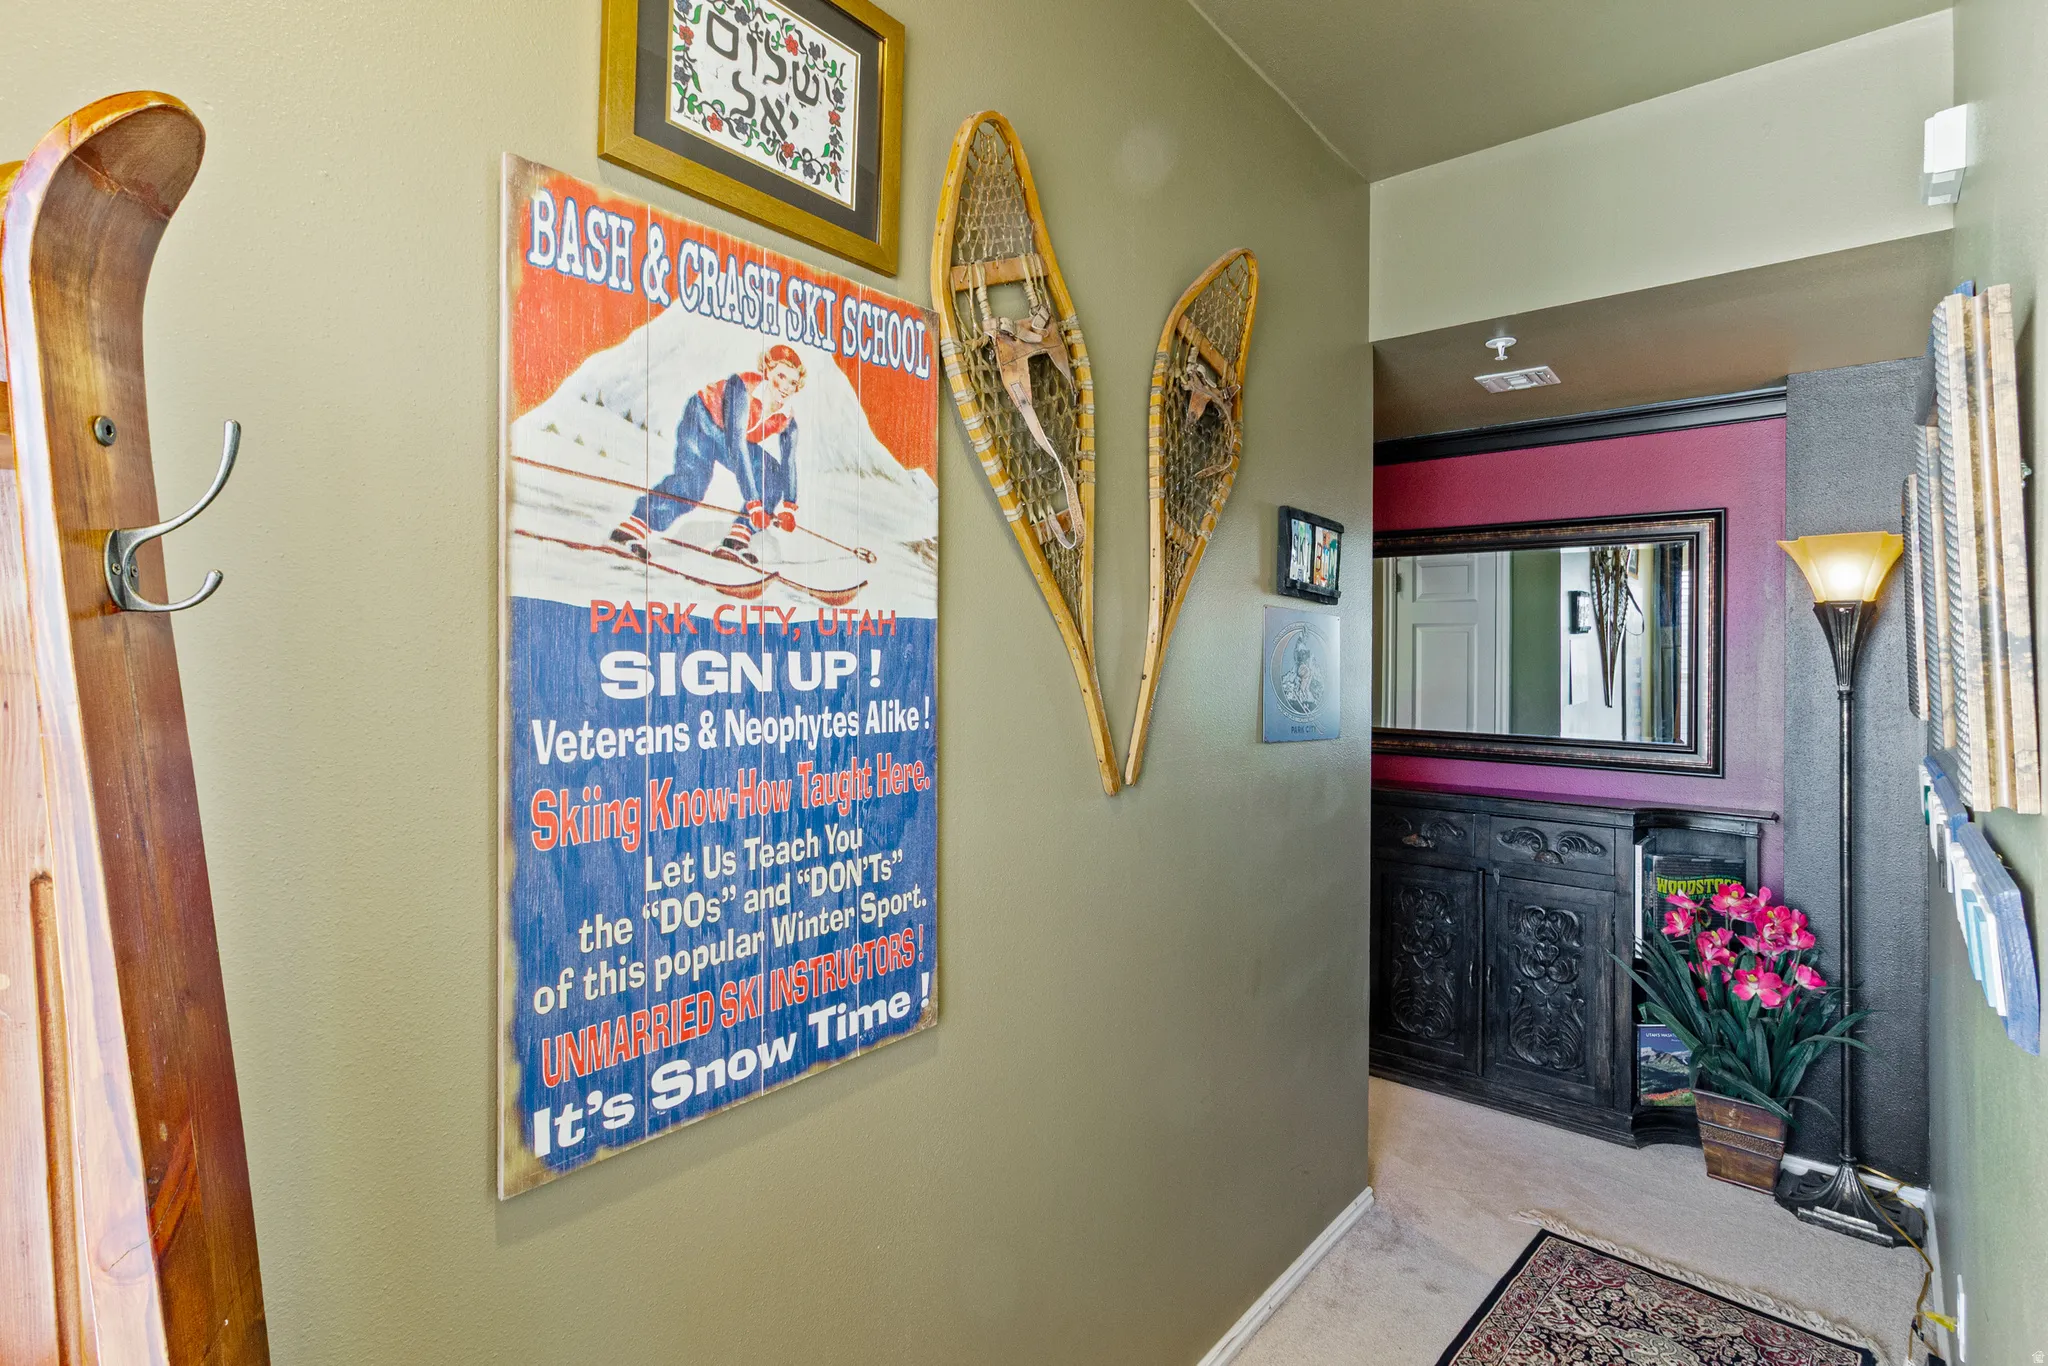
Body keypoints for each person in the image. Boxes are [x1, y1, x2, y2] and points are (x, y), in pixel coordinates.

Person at [611, 343, 806, 564]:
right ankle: (631, 529)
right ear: (767, 370)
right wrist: (754, 503)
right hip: (702, 422)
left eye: (793, 382)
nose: (785, 387)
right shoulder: (742, 387)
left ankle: (736, 540)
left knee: (772, 475)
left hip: (728, 439)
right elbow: (735, 444)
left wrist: (789, 507)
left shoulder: (787, 419)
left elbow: (789, 462)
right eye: (781, 376)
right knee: (692, 485)